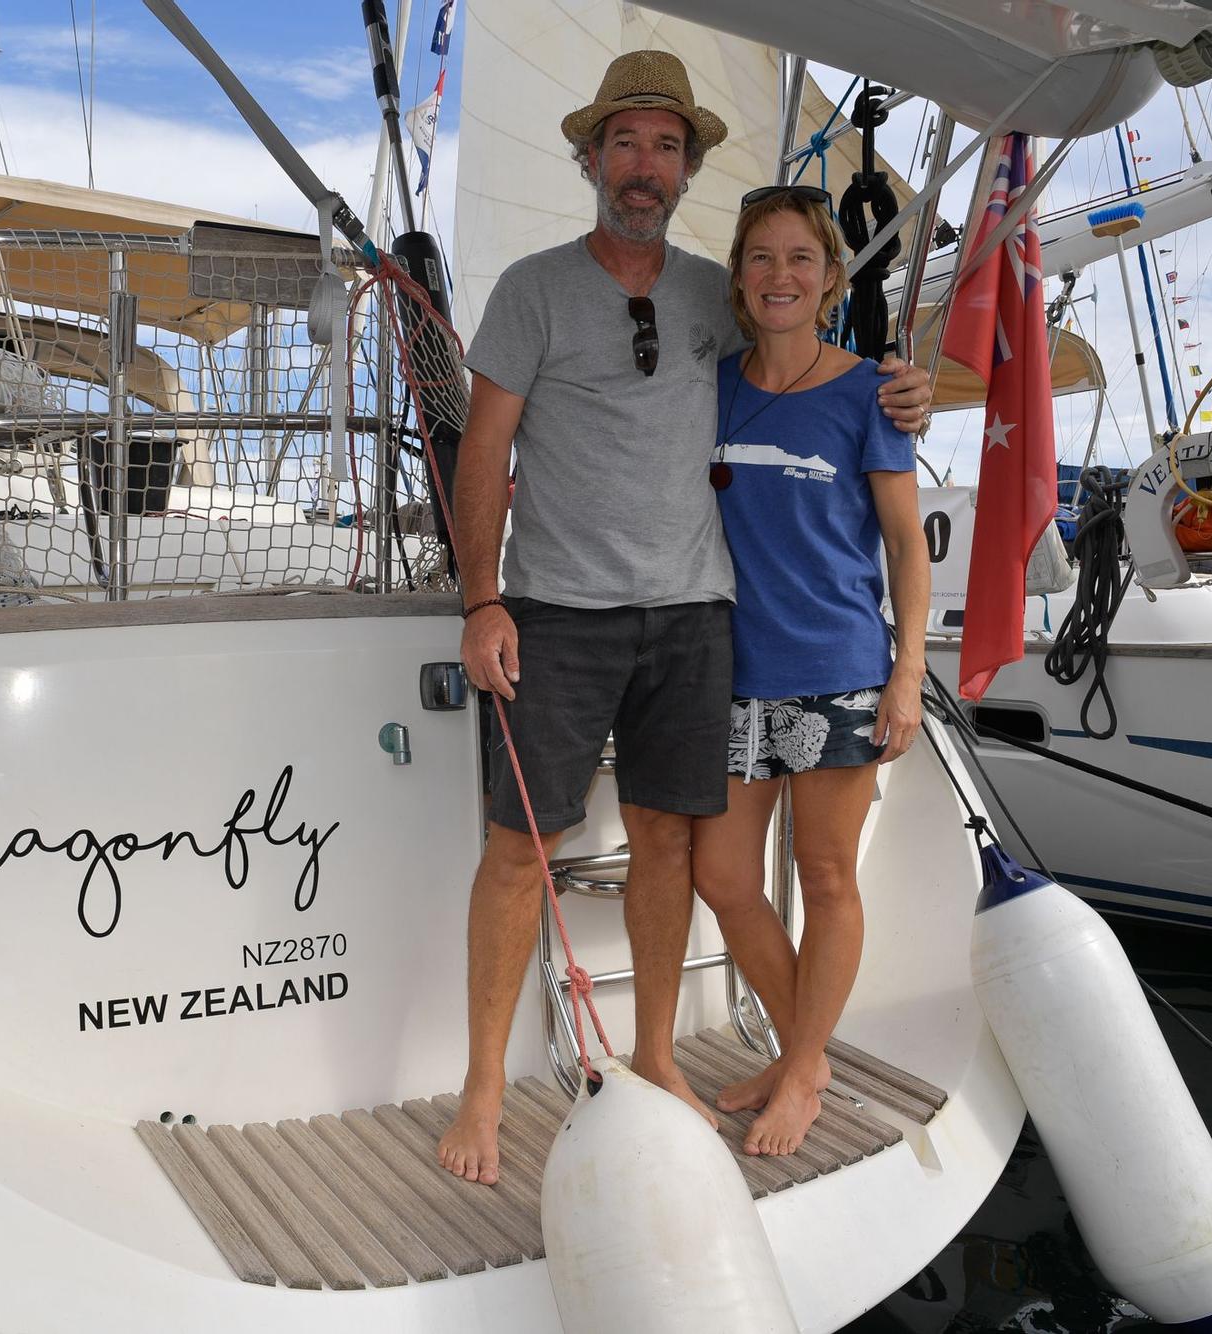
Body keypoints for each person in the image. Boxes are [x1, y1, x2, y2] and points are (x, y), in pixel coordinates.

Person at [434, 51, 934, 1187]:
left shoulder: (717, 288)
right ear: (591, 158)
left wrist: (898, 384)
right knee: (520, 850)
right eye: (624, 142)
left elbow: (804, 334)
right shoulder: (532, 288)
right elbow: (484, 451)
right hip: (557, 611)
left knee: (668, 842)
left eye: (665, 146)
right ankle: (479, 1083)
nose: (643, 165)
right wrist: (479, 597)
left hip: (694, 619)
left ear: (689, 166)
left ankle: (656, 1052)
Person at [690, 184, 931, 1158]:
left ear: (830, 279)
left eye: (799, 258)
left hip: (836, 668)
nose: (777, 275)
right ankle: (808, 1051)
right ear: (738, 278)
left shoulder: (869, 393)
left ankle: (798, 1070)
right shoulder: (709, 386)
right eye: (759, 257)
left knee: (824, 876)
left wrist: (906, 670)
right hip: (730, 674)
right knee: (721, 875)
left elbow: (907, 547)